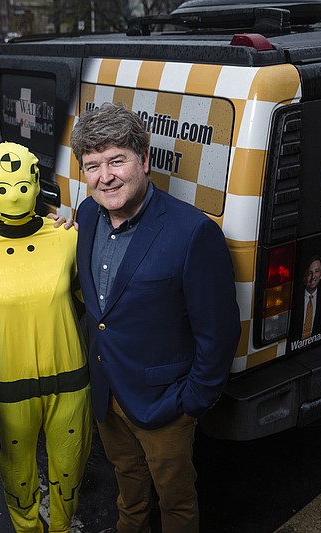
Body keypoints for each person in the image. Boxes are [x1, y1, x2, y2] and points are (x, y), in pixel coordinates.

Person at [69, 102, 241, 533]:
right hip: (107, 392)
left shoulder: (192, 232)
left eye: (116, 160)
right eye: (92, 165)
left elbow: (218, 332)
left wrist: (191, 403)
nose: (104, 176)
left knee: (176, 502)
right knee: (128, 487)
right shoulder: (88, 214)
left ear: (144, 160)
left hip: (165, 404)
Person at [0, 142, 92, 533]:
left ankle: (62, 528)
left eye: (20, 183)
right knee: (17, 480)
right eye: (1, 185)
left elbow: (93, 303)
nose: (12, 194)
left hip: (70, 381)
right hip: (8, 389)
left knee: (68, 476)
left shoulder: (68, 237)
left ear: (37, 182)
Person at [297, 255, 321, 340]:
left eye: (317, 271)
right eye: (310, 273)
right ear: (304, 277)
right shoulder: (295, 300)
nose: (313, 276)